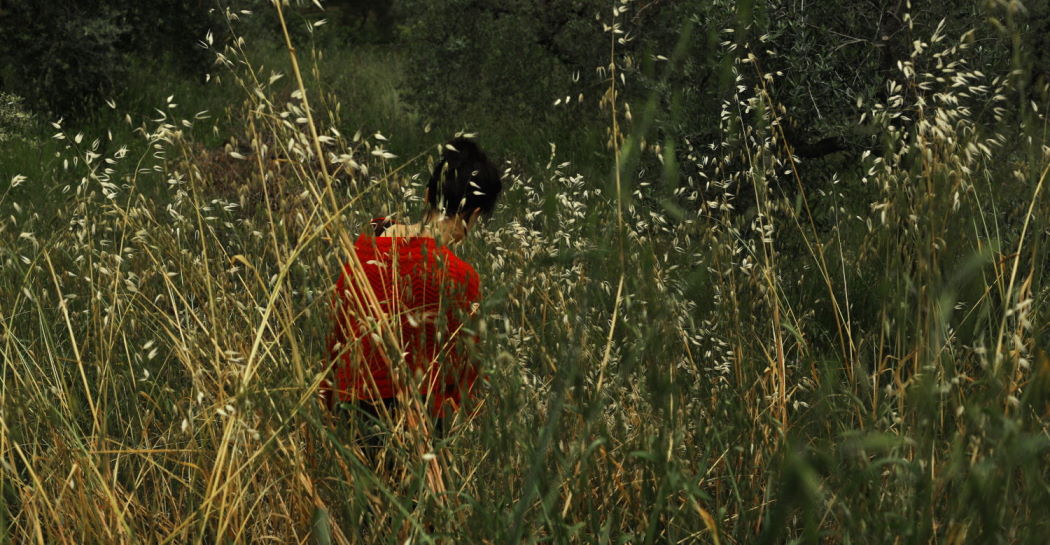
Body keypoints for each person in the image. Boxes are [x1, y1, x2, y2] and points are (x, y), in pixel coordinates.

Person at [324, 137, 502, 446]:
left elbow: (338, 341)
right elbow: (466, 374)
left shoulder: (363, 251)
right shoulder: (461, 277)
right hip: (419, 428)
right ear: (473, 217)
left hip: (351, 418)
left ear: (426, 197)